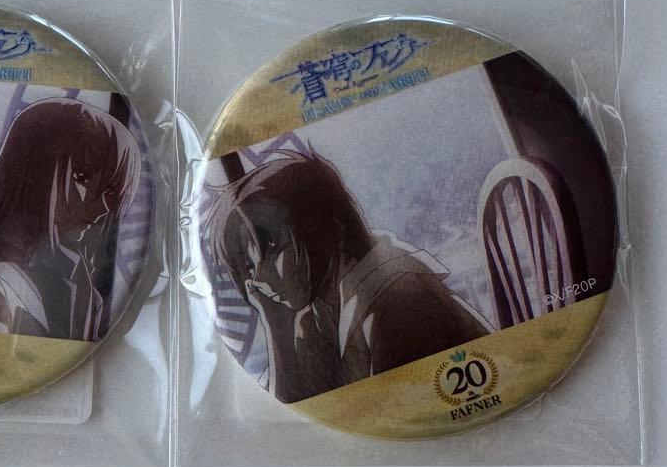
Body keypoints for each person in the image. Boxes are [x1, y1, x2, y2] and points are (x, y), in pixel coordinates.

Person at [203, 151, 491, 403]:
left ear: (329, 228)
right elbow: (298, 413)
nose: (259, 278)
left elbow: (402, 415)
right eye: (249, 266)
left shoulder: (393, 300)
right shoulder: (314, 312)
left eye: (274, 248)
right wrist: (276, 327)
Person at [0, 97, 141, 341]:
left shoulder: (83, 287)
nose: (101, 206)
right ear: (35, 170)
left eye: (110, 191)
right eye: (82, 177)